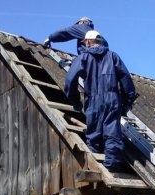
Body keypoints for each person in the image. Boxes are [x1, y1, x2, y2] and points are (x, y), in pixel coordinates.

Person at [64, 30, 136, 172]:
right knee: (112, 132)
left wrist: (75, 101)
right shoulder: (113, 56)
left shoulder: (83, 58)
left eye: (85, 42)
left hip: (93, 100)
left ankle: (94, 166)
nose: (84, 44)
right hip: (112, 99)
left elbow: (70, 81)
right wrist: (128, 100)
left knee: (94, 133)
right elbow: (126, 80)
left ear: (89, 42)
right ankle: (112, 165)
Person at [44, 17, 108, 54]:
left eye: (77, 23)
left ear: (81, 22)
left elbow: (64, 33)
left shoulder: (81, 26)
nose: (76, 25)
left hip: (91, 56)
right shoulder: (95, 33)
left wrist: (50, 38)